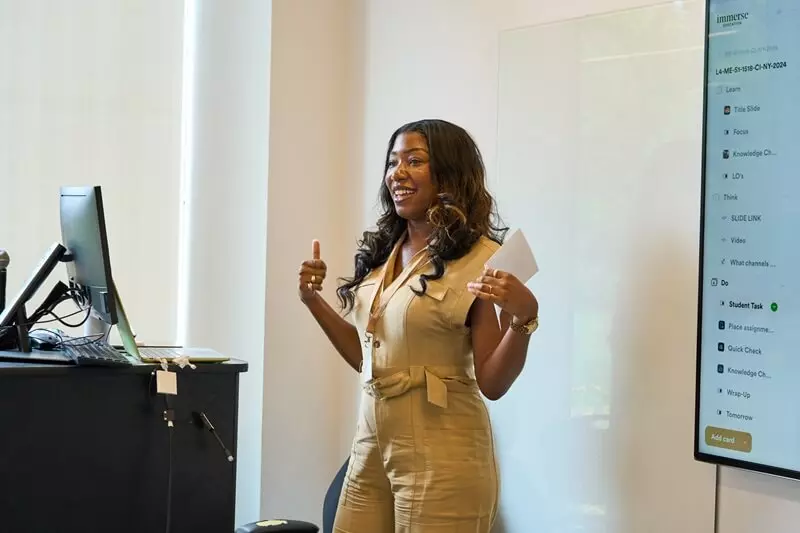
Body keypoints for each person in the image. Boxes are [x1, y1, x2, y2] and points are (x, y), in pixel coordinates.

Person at [297, 119, 539, 532]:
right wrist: (312, 301)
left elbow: (493, 383)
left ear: (449, 173)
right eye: (393, 162)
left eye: (414, 161)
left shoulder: (482, 258)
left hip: (444, 456)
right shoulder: (383, 253)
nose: (398, 173)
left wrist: (523, 318)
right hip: (371, 448)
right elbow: (367, 359)